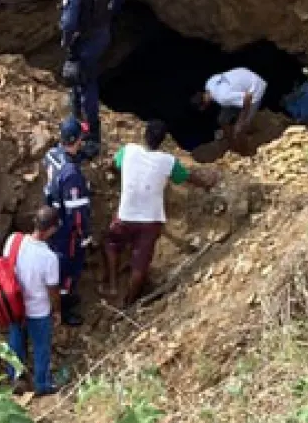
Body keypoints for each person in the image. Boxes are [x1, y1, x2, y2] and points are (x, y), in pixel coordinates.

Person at [104, 120, 218, 306]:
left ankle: (113, 285)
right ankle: (129, 303)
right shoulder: (168, 162)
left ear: (144, 134)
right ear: (163, 141)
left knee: (111, 243)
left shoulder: (129, 151)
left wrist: (110, 169)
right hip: (151, 221)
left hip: (125, 215)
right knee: (140, 265)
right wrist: (207, 184)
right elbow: (188, 178)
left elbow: (113, 164)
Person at [59, 0, 127, 159]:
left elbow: (69, 23)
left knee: (87, 82)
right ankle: (77, 111)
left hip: (85, 41)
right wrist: (112, 12)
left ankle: (92, 135)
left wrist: (67, 42)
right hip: (102, 34)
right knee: (82, 78)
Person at [5, 206, 62, 396]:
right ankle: (42, 384)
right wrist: (57, 311)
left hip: (14, 305)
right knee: (41, 347)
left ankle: (15, 377)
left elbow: (6, 268)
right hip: (38, 310)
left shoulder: (13, 240)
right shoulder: (49, 258)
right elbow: (53, 290)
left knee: (15, 341)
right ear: (52, 229)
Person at [42, 117, 92, 326]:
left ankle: (62, 299)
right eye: (81, 137)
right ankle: (64, 307)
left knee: (57, 264)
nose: (83, 140)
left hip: (52, 219)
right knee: (69, 268)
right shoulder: (72, 176)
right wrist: (83, 235)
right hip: (67, 231)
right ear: (75, 140)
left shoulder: (52, 154)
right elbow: (77, 214)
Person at [193, 66, 268, 151]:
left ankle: (247, 153)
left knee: (239, 130)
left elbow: (248, 97)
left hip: (254, 88)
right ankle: (233, 145)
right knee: (222, 120)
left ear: (203, 105)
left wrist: (241, 120)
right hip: (243, 74)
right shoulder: (208, 84)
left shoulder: (222, 98)